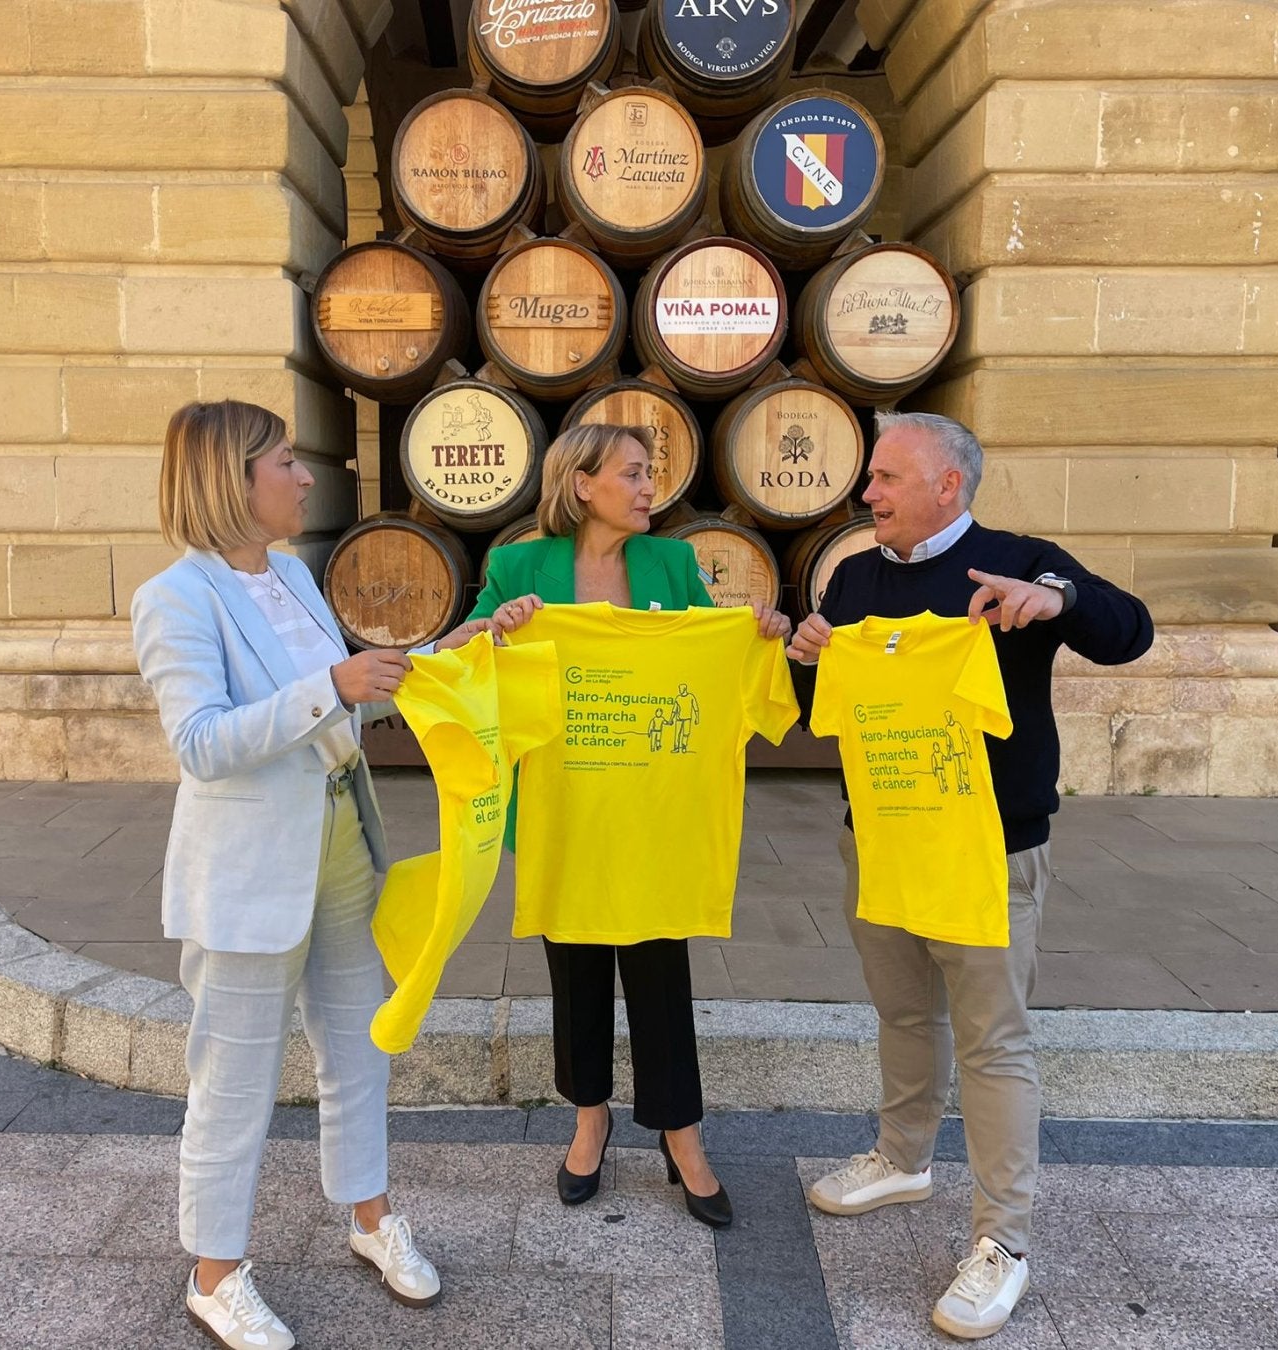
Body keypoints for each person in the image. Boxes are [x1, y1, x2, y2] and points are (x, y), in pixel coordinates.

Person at [786, 411, 1153, 1341]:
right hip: (880, 838)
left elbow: (1131, 631)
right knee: (903, 1013)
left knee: (993, 1042)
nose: (867, 494)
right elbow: (823, 711)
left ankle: (1003, 1244)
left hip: (991, 845)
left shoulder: (1018, 560)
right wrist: (802, 658)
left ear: (948, 484)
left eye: (885, 479)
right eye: (871, 480)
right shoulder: (854, 576)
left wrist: (1059, 601)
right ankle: (903, 1156)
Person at [131, 401, 489, 1349]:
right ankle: (215, 1275)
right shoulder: (176, 596)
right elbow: (202, 745)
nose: (304, 477)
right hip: (249, 869)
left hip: (340, 842)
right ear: (230, 480)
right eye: (285, 462)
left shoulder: (289, 575)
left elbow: (343, 711)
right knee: (233, 1079)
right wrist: (332, 685)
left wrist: (443, 656)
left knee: (358, 1044)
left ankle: (371, 1221)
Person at [471, 423, 790, 1227]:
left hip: (653, 810)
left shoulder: (671, 564)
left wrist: (758, 636)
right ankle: (589, 1120)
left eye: (650, 474)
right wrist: (496, 626)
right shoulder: (517, 566)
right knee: (574, 971)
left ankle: (682, 1134)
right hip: (564, 809)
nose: (652, 488)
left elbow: (708, 660)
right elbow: (457, 656)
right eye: (636, 473)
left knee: (660, 972)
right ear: (582, 483)